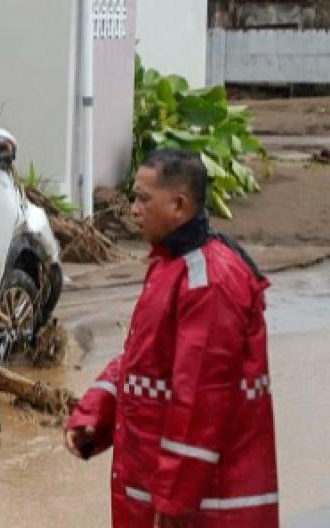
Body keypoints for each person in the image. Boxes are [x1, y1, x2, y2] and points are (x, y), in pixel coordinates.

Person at [64, 149, 278, 527]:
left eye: (144, 199)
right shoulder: (172, 267)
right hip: (163, 496)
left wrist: (176, 499)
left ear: (179, 205)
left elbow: (201, 399)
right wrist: (95, 412)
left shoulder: (208, 281)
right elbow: (141, 359)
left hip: (202, 509)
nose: (133, 209)